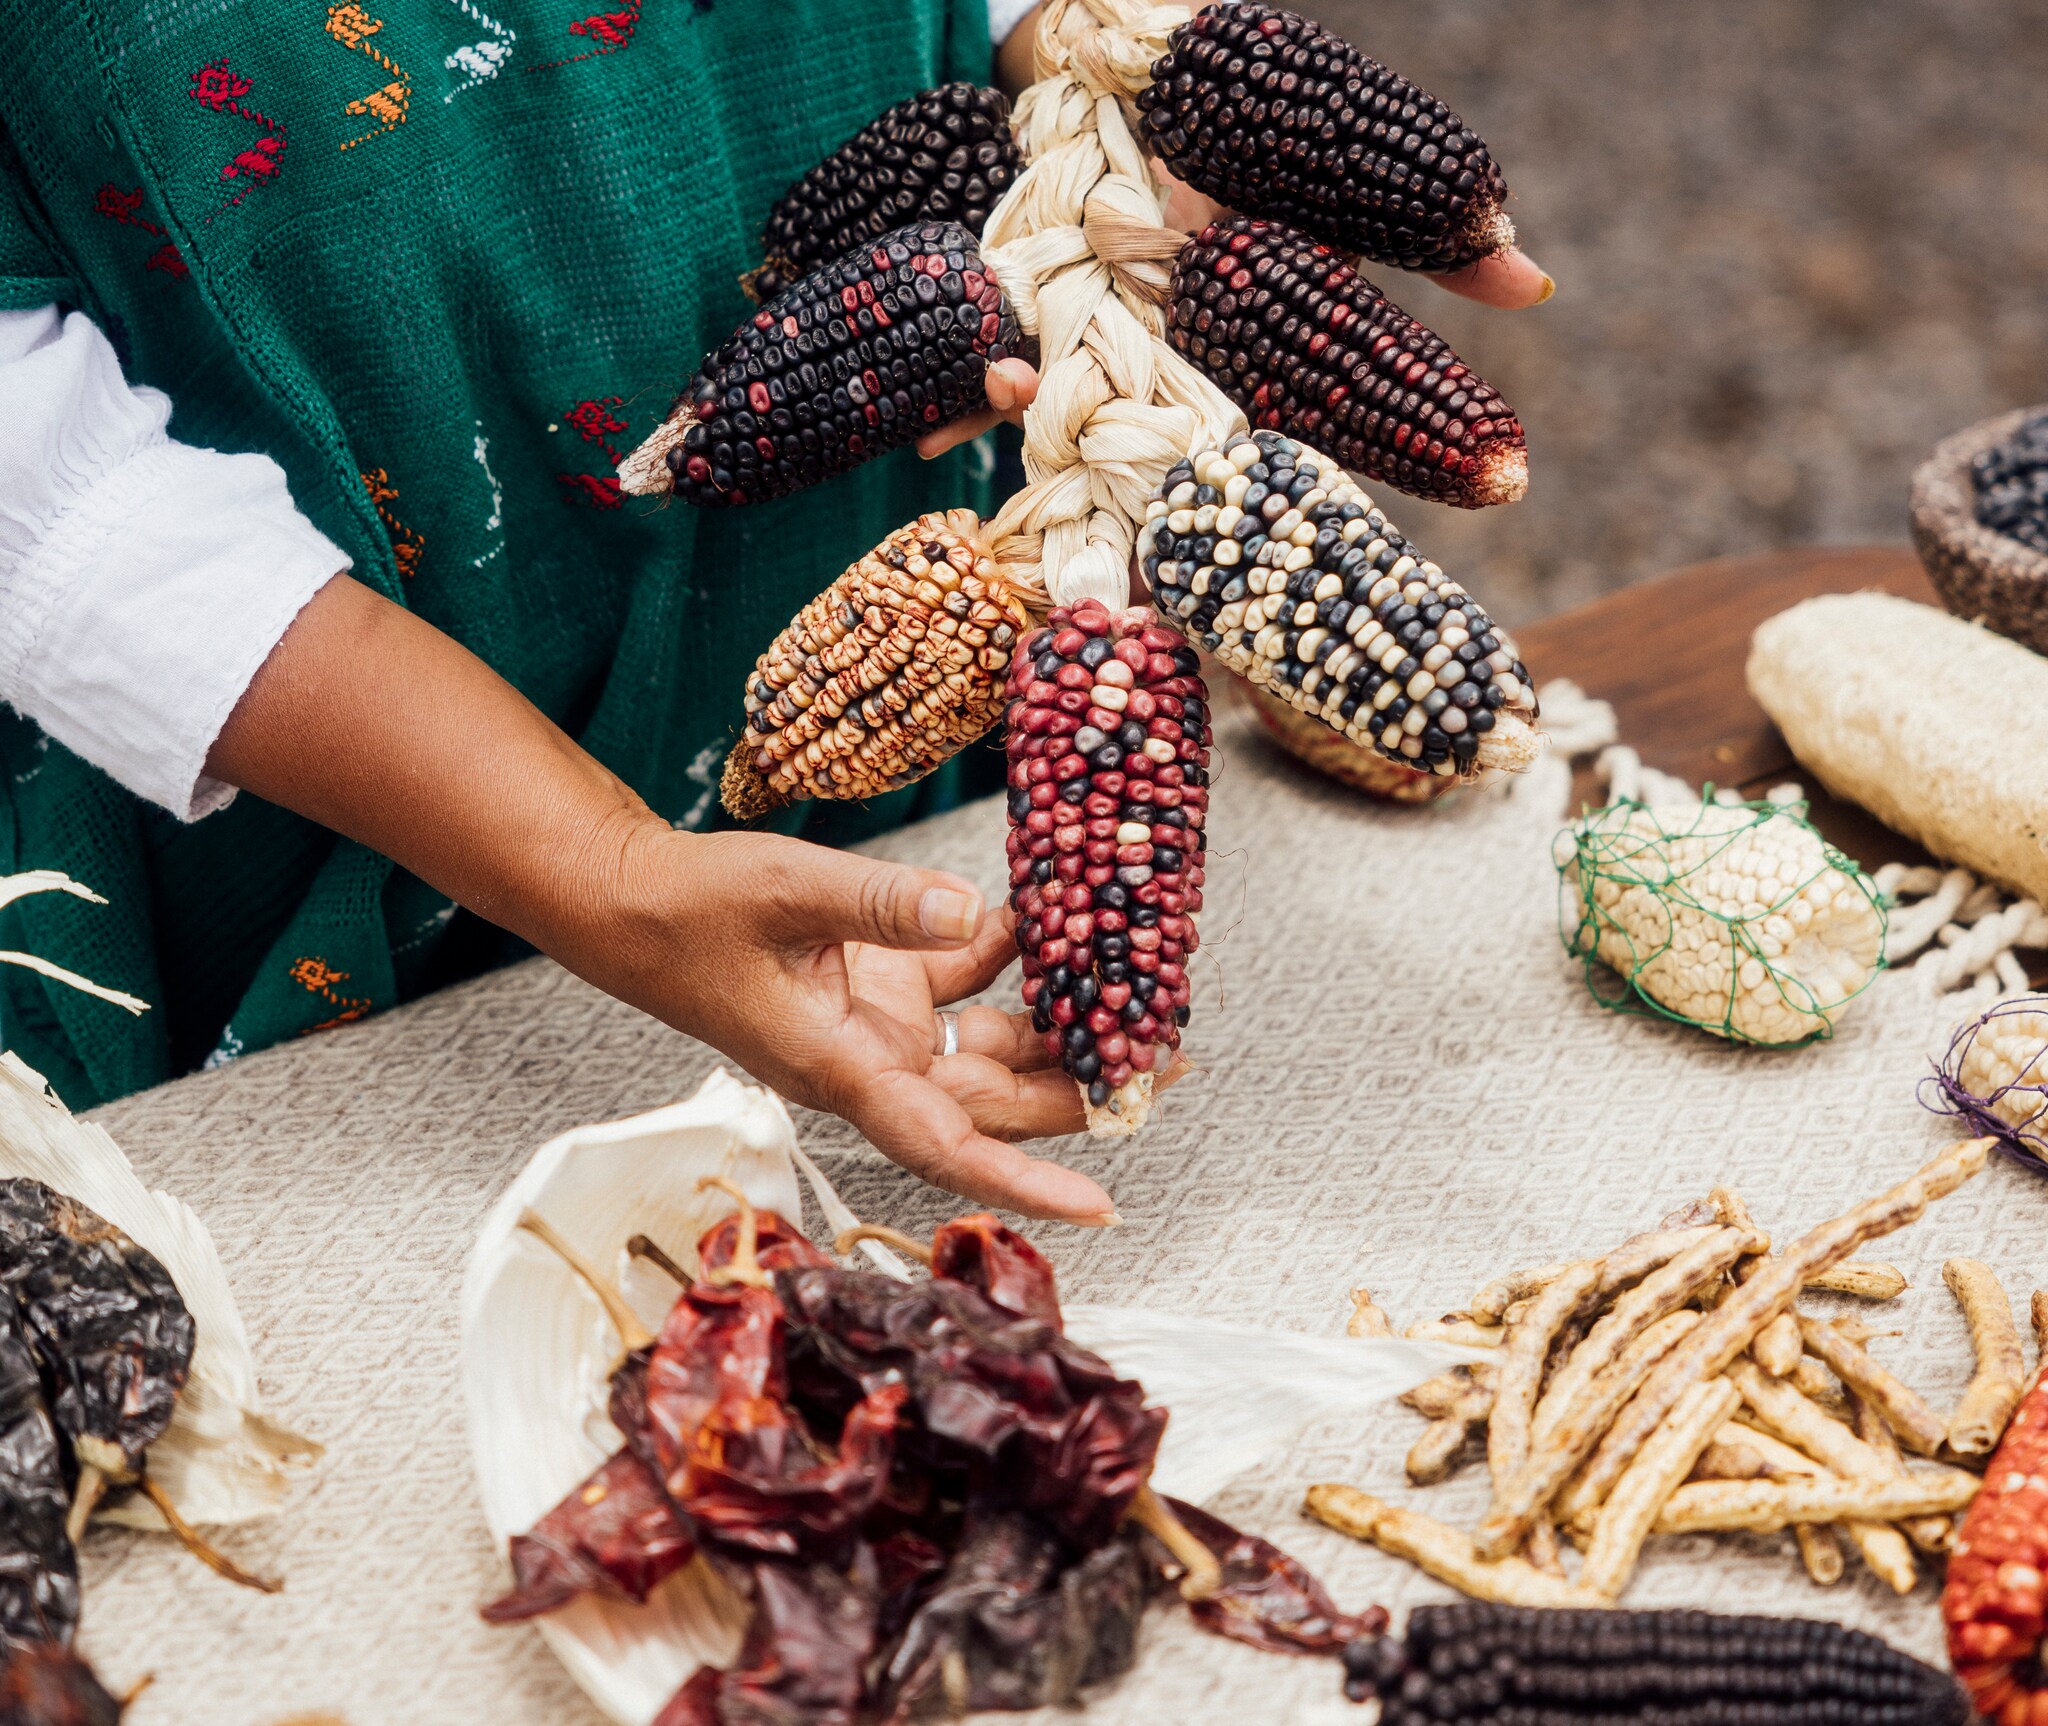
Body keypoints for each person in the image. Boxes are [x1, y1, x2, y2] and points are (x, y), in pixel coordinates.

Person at [0, 0, 1547, 1222]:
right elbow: (49, 491)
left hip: (862, 573)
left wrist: (1124, 104)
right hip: (330, 764)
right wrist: (601, 866)